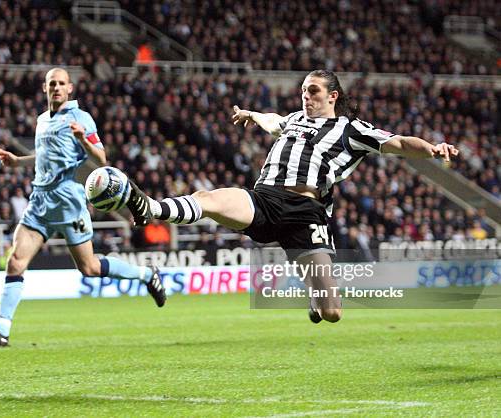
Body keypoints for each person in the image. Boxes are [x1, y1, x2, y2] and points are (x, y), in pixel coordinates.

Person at [127, 69, 459, 324]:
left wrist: (431, 149)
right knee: (210, 199)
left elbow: (399, 143)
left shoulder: (351, 129)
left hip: (306, 214)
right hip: (266, 199)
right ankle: (151, 207)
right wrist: (252, 114)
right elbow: (274, 122)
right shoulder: (296, 120)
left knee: (332, 312)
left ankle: (316, 301)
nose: (306, 97)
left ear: (332, 96)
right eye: (303, 91)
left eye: (313, 91)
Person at [0, 68, 166, 347]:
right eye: (52, 83)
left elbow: (102, 158)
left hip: (68, 201)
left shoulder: (80, 117)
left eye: (62, 83)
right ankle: (2, 329)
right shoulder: (41, 120)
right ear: (45, 88)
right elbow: (43, 156)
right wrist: (17, 161)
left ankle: (147, 275)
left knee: (90, 268)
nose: (57, 87)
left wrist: (83, 139)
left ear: (70, 89)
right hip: (39, 201)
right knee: (15, 261)